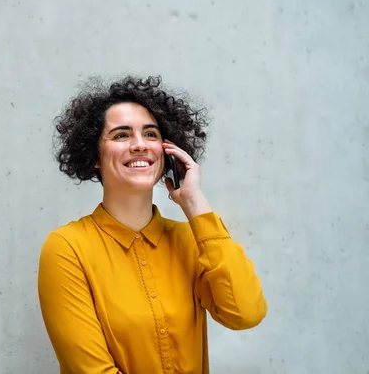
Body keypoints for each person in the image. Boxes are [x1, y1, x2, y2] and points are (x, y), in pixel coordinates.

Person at [37, 76, 267, 374]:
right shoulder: (67, 247)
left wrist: (194, 202)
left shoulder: (191, 239)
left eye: (150, 134)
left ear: (167, 150)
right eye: (121, 135)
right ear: (95, 155)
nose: (139, 145)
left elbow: (245, 313)